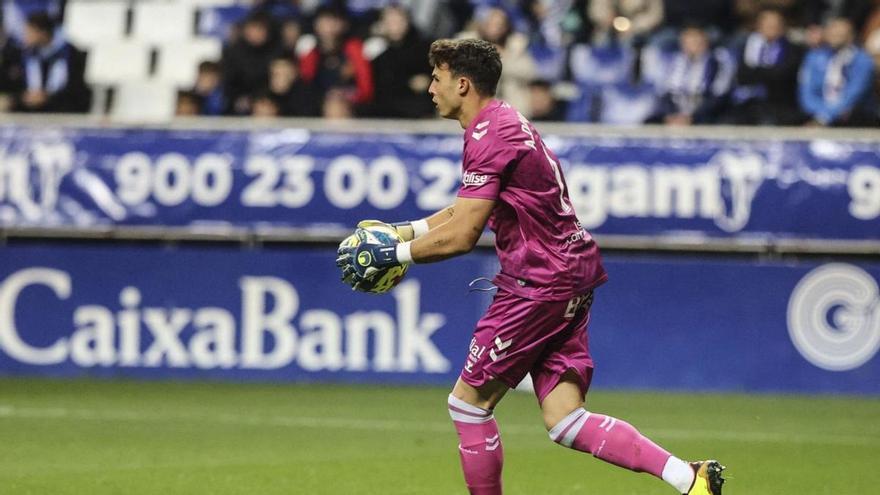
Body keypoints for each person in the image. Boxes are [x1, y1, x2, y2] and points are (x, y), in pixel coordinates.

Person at [336, 38, 725, 495]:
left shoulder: (489, 135)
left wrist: (394, 255)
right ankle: (690, 479)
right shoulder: (502, 121)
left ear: (462, 84)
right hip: (571, 274)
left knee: (469, 406)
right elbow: (466, 210)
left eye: (437, 79)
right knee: (565, 420)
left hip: (538, 281)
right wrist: (409, 230)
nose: (430, 89)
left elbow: (463, 236)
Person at [726, 8, 806, 125]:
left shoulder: (794, 49)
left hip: (779, 106)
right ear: (759, 26)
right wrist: (769, 73)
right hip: (747, 105)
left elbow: (782, 77)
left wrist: (756, 72)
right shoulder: (745, 47)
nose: (771, 27)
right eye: (767, 23)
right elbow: (742, 75)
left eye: (775, 24)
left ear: (783, 26)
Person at [647, 24, 735, 125]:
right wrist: (671, 115)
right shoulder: (673, 61)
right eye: (688, 40)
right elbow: (664, 92)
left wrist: (693, 117)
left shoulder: (718, 60)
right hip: (676, 113)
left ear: (705, 41)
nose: (692, 44)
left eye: (696, 40)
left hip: (705, 114)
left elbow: (719, 95)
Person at [798, 17, 877, 126]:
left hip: (853, 118)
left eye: (840, 35)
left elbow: (854, 94)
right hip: (815, 116)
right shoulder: (814, 57)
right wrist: (820, 113)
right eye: (832, 34)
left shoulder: (863, 60)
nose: (835, 37)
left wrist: (825, 117)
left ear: (850, 36)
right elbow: (807, 92)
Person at [14, 12, 90, 113]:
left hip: (64, 107)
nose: (25, 37)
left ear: (43, 32)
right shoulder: (28, 54)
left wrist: (48, 97)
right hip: (34, 108)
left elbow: (76, 89)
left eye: (30, 32)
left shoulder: (71, 54)